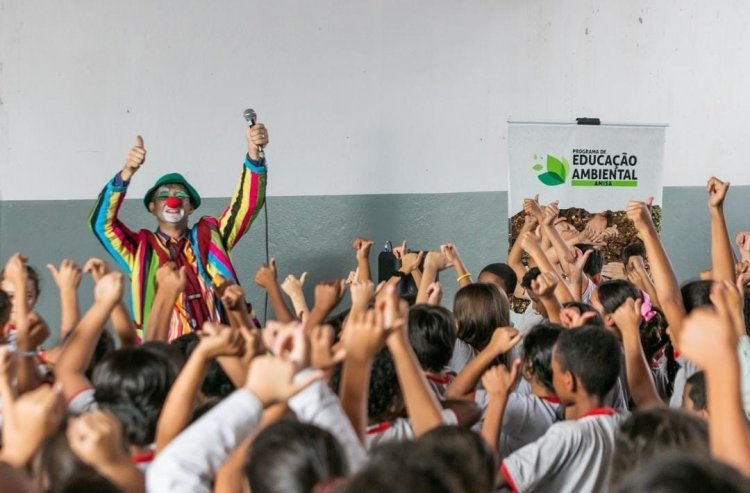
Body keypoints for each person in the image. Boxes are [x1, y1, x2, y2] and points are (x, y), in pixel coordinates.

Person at [89, 125, 269, 340]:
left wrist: (253, 154)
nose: (172, 199)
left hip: (219, 348)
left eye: (180, 195)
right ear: (152, 207)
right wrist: (126, 173)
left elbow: (245, 207)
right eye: (163, 195)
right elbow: (102, 225)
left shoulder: (211, 237)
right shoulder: (140, 250)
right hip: (166, 355)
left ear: (190, 207)